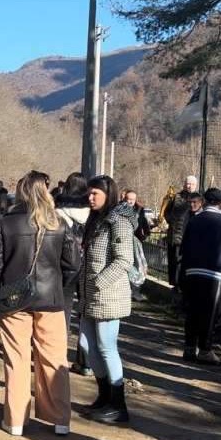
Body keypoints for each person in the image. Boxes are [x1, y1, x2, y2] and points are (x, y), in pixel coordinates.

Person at [0, 171, 80, 436]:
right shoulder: (59, 223)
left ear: (22, 192)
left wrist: (4, 286)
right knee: (54, 359)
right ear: (46, 192)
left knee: (17, 359)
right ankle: (60, 419)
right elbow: (73, 265)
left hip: (14, 301)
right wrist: (57, 288)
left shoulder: (7, 223)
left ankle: (15, 421)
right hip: (51, 301)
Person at [76, 175, 136, 424]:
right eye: (89, 193)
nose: (90, 198)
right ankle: (103, 397)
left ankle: (118, 405)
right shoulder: (95, 220)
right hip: (90, 296)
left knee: (106, 347)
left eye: (95, 194)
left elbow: (124, 260)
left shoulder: (118, 221)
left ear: (107, 194)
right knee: (86, 345)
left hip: (108, 295)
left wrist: (99, 282)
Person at [179, 188, 221, 366]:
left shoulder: (195, 220)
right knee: (209, 312)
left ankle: (189, 347)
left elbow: (184, 244)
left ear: (204, 201)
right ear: (220, 203)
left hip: (192, 269)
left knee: (193, 310)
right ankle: (205, 349)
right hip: (213, 271)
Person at [54, 173, 91, 373]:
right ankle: (84, 361)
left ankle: (57, 357)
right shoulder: (93, 211)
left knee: (62, 311)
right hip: (88, 265)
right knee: (85, 314)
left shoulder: (58, 210)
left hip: (64, 264)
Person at [162, 175, 197, 292]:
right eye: (188, 183)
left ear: (195, 186)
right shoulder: (176, 197)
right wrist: (172, 221)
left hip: (191, 237)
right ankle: (176, 286)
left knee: (185, 264)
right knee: (175, 262)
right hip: (176, 235)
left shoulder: (198, 199)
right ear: (184, 184)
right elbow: (166, 212)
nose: (189, 186)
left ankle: (183, 287)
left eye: (192, 184)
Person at [123, 188, 152, 302]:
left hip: (135, 242)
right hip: (124, 241)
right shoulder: (119, 210)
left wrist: (144, 235)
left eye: (132, 199)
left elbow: (144, 225)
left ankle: (135, 291)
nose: (130, 201)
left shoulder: (139, 211)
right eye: (128, 199)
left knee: (137, 265)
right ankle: (126, 290)